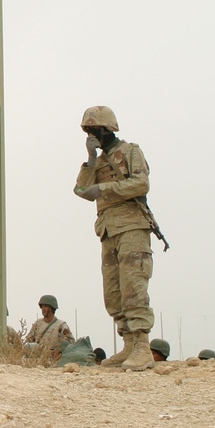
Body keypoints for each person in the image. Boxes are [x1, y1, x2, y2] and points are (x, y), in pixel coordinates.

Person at [74, 106, 155, 371]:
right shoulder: (97, 162)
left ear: (108, 128)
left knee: (134, 287)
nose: (91, 134)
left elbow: (141, 184)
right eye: (88, 130)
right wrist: (90, 157)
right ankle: (128, 344)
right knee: (113, 292)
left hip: (132, 226)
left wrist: (105, 188)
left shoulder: (130, 151)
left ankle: (142, 346)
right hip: (108, 230)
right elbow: (81, 189)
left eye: (94, 129)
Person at [25, 295, 74, 364]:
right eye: (42, 306)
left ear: (52, 308)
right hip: (37, 357)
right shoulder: (38, 323)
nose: (43, 309)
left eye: (45, 306)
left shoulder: (61, 325)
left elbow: (71, 342)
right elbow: (29, 339)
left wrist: (59, 350)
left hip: (53, 358)